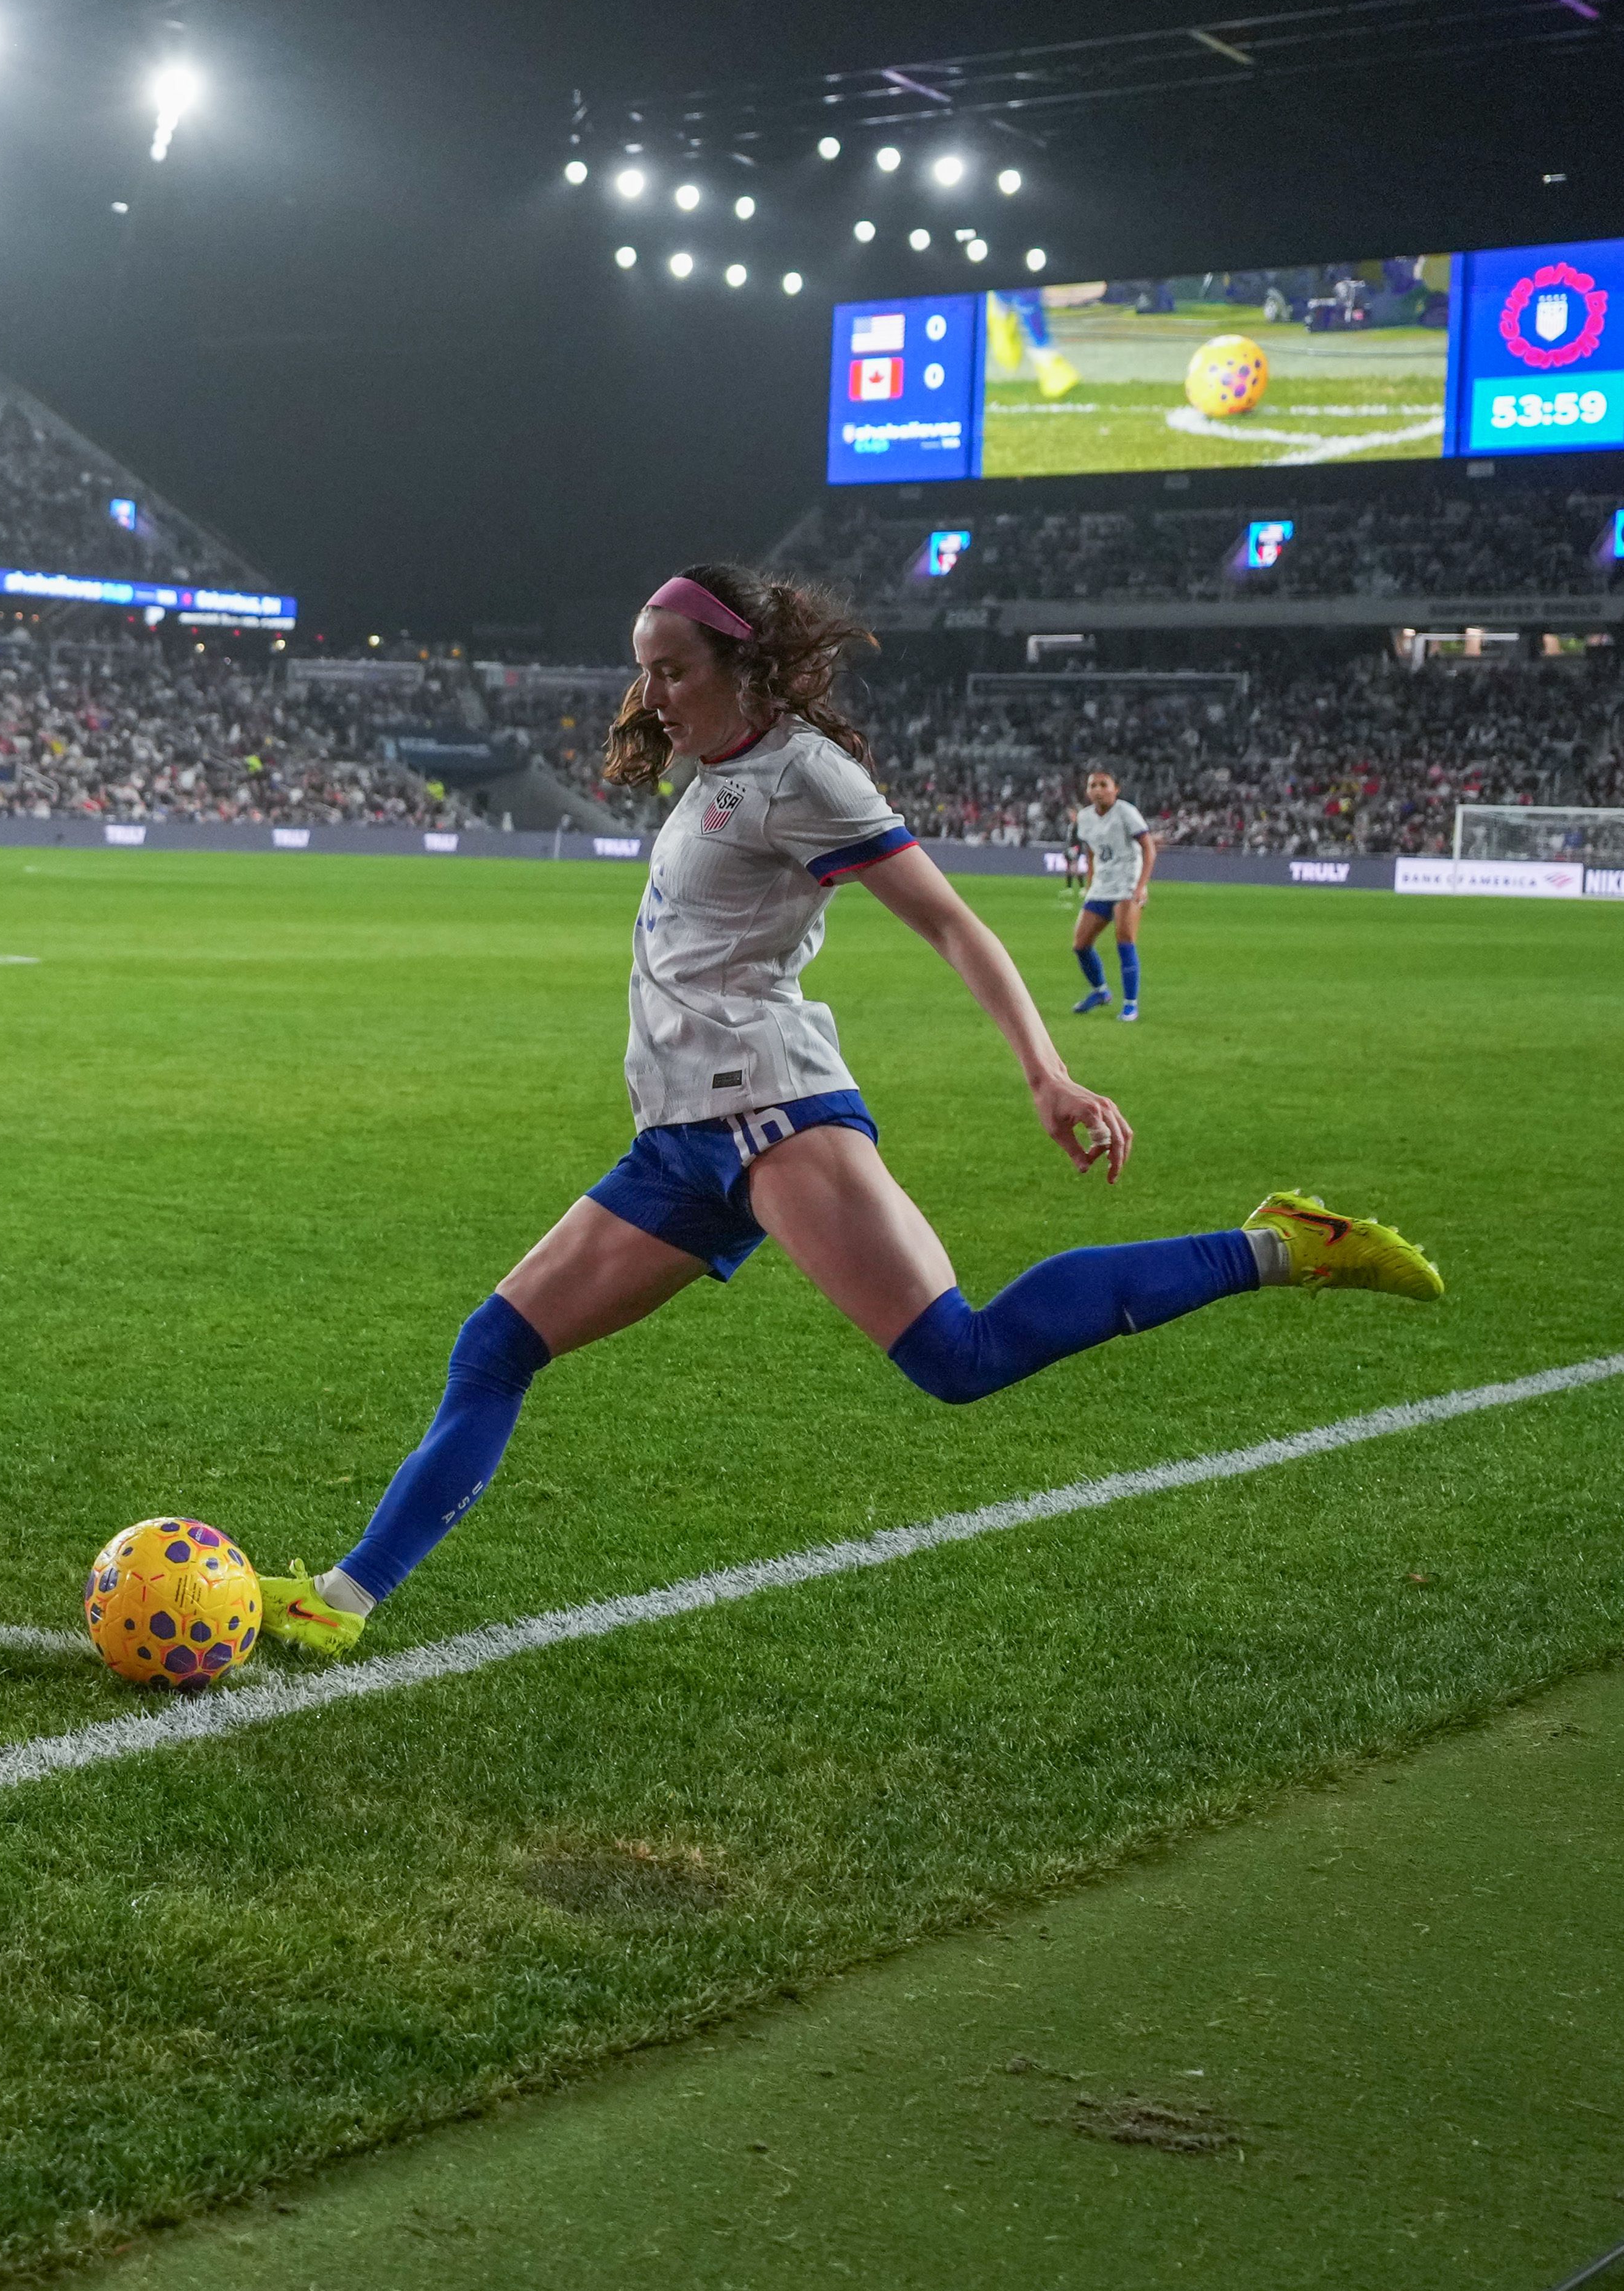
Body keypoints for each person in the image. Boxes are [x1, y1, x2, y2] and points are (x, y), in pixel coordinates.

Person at [253, 562, 1441, 1662]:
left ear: (741, 664)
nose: (650, 691)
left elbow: (948, 921)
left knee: (957, 1356)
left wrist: (1043, 1071)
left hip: (771, 1109)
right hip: (676, 1140)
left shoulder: (806, 774)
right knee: (496, 1346)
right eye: (644, 668)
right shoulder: (712, 772)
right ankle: (339, 1603)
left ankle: (1279, 1245)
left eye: (672, 668)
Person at [1068, 765, 1152, 1022]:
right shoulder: (1085, 818)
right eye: (1093, 785)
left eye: (1103, 785)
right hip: (1102, 887)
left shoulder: (1126, 813)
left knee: (1125, 941)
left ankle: (1130, 1005)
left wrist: (1141, 885)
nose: (1098, 790)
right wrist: (1091, 881)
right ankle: (1101, 992)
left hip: (1127, 886)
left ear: (1116, 790)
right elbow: (1092, 851)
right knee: (1081, 945)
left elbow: (1149, 849)